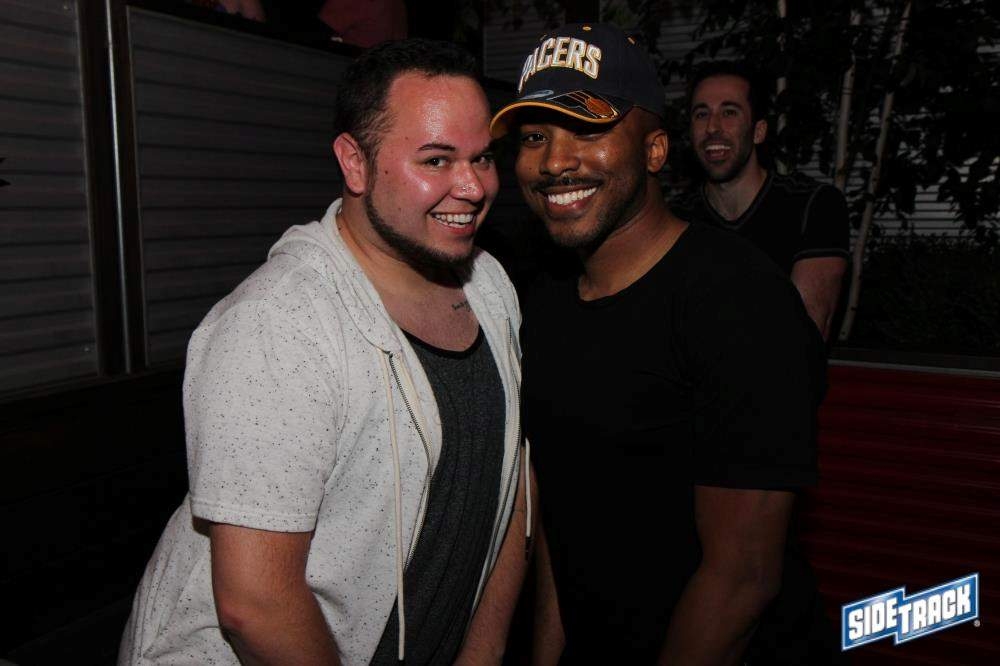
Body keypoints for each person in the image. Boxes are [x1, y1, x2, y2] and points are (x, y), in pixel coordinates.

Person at [119, 39, 530, 666]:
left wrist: (483, 652)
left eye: (482, 158)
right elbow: (256, 605)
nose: (473, 187)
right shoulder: (278, 324)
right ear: (354, 163)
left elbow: (510, 485)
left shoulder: (490, 286)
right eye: (437, 159)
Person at [491, 23, 836, 665]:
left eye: (587, 129)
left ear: (653, 150)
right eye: (534, 137)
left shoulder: (738, 299)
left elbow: (742, 579)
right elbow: (564, 525)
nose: (554, 161)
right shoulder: (545, 299)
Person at [672, 61, 850, 341]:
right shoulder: (675, 220)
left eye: (729, 112)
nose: (712, 127)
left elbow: (803, 337)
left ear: (759, 131)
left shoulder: (813, 206)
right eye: (701, 114)